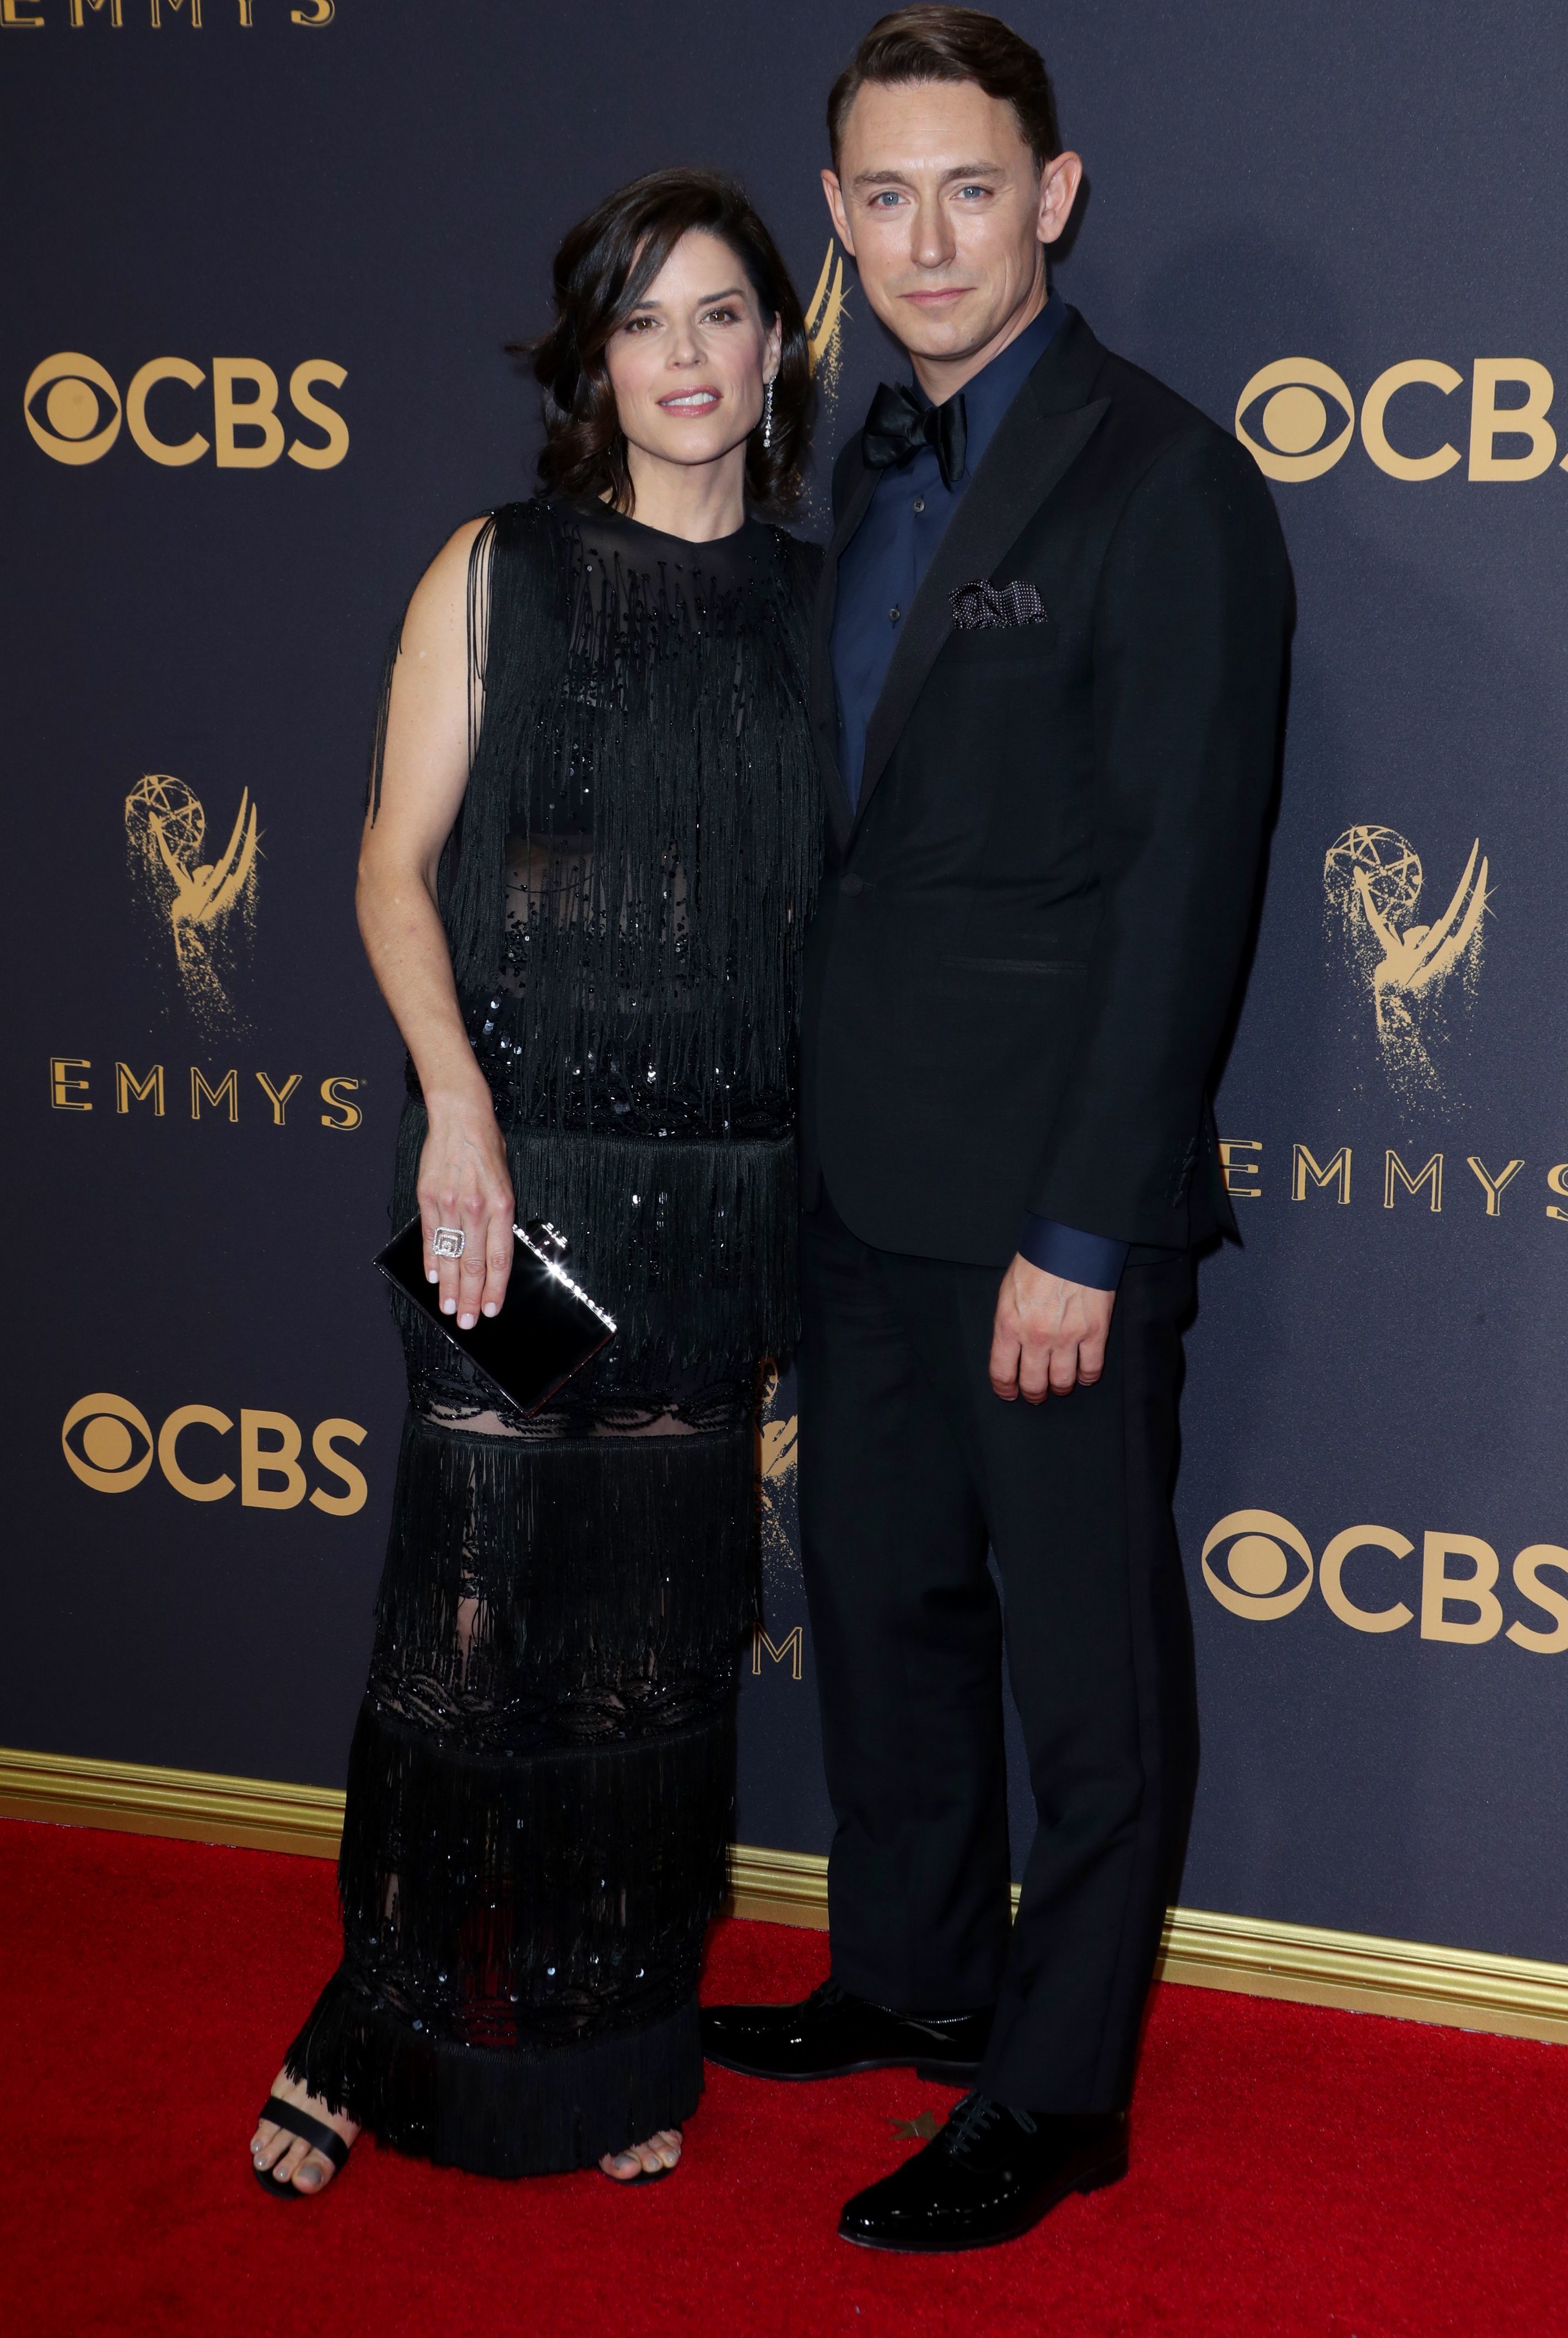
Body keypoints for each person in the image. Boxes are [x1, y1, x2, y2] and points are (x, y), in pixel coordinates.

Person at [702, 7, 1292, 2251]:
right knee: (876, 1605)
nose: (924, 236)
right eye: (879, 194)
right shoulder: (861, 468)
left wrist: (1087, 1219)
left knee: (1085, 1670)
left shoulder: (1165, 481)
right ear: (836, 218)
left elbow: (1180, 892)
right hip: (855, 1191)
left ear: (1052, 195)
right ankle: (915, 1978)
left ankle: (1056, 2097)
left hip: (1044, 1203)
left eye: (969, 187)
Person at [248, 168, 821, 2195]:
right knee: (473, 1625)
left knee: (658, 1642)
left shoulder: (826, 604)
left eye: (726, 313)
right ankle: (376, 2013)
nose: (688, 356)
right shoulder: (493, 568)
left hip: (737, 1201)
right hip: (524, 1175)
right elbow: (390, 868)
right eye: (647, 319)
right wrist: (460, 1110)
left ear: (776, 351)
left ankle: (600, 2030)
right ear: (593, 357)